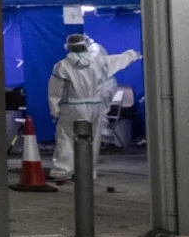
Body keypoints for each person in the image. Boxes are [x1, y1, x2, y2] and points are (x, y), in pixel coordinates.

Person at [49, 33, 141, 182]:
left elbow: (55, 91)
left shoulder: (62, 66)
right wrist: (131, 55)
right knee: (93, 139)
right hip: (95, 106)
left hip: (72, 106)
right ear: (85, 44)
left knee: (66, 138)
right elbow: (118, 60)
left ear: (68, 47)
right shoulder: (99, 62)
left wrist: (54, 110)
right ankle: (87, 172)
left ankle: (62, 171)